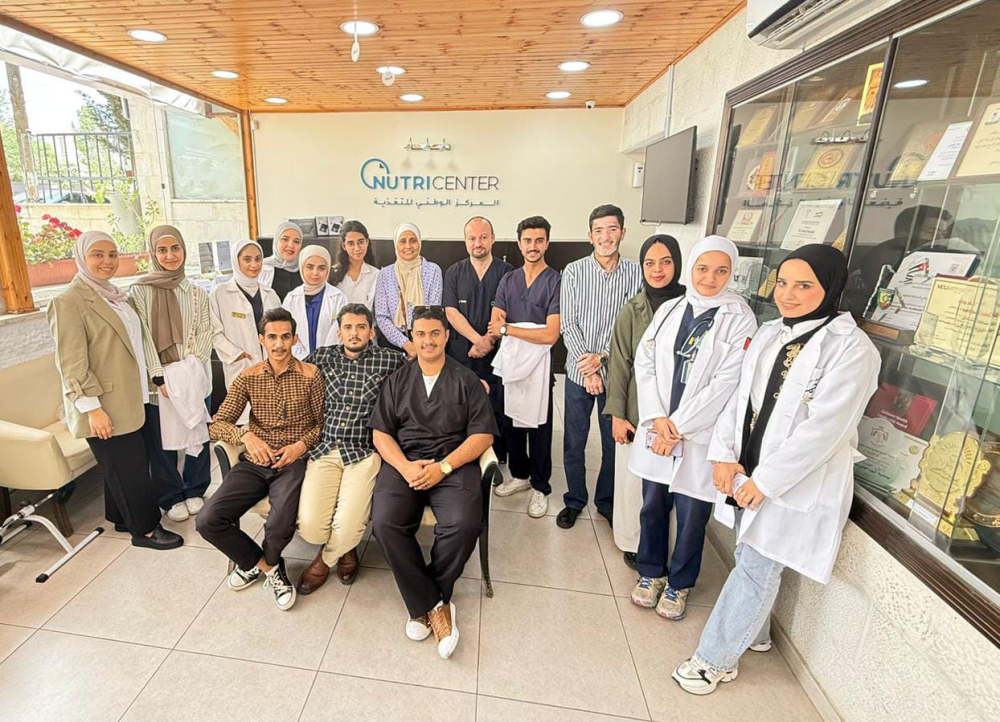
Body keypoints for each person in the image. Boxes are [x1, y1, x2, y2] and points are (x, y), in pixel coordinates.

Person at [672, 244, 879, 695]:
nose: (788, 294)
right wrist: (723, 455)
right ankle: (757, 634)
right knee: (752, 558)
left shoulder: (851, 349)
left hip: (790, 481)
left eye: (804, 285)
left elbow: (824, 430)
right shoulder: (770, 332)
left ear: (831, 289)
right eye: (783, 283)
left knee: (756, 566)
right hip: (747, 468)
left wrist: (766, 481)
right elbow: (739, 401)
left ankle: (713, 660)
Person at [630, 236, 757, 621]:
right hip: (659, 426)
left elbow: (727, 382)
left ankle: (680, 582)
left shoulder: (741, 317)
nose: (709, 278)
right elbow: (645, 361)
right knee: (652, 505)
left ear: (731, 273)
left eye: (721, 271)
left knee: (691, 513)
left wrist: (678, 427)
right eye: (702, 268)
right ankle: (651, 571)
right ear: (691, 268)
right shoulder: (671, 308)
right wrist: (657, 418)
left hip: (700, 435)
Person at [370, 306, 497, 659]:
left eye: (435, 333)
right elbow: (381, 433)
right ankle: (435, 604)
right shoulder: (397, 380)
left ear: (446, 336)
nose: (428, 340)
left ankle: (428, 599)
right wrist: (404, 467)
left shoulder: (466, 380)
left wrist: (443, 467)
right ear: (412, 337)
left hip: (452, 463)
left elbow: (483, 436)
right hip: (406, 462)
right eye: (421, 334)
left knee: (464, 523)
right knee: (385, 522)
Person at [47, 230, 183, 550]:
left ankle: (121, 517)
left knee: (123, 465)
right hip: (103, 404)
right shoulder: (68, 302)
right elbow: (71, 364)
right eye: (97, 254)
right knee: (131, 469)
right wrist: (92, 409)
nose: (107, 261)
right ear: (81, 258)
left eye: (112, 254)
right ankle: (145, 530)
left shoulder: (114, 295)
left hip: (130, 397)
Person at [198, 308, 324, 611]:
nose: (279, 344)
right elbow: (217, 424)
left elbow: (323, 424)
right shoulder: (248, 376)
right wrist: (246, 436)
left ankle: (260, 564)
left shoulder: (311, 375)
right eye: (272, 337)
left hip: (293, 461)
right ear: (261, 339)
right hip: (254, 461)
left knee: (279, 526)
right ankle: (267, 567)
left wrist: (300, 446)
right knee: (207, 520)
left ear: (295, 339)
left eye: (285, 337)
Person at [296, 304, 406, 594]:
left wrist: (472, 381)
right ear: (339, 332)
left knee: (348, 526)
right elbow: (290, 376)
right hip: (325, 449)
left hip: (364, 452)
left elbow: (428, 368)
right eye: (348, 327)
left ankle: (324, 560)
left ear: (371, 332)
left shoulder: (390, 359)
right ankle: (345, 548)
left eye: (361, 327)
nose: (354, 333)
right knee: (310, 528)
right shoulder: (322, 357)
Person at [557, 204, 642, 529]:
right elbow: (568, 324)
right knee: (574, 441)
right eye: (599, 231)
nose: (606, 237)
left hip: (617, 374)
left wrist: (603, 357)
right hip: (579, 373)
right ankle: (575, 500)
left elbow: (632, 327)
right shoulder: (574, 271)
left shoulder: (636, 274)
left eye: (612, 229)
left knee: (613, 443)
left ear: (623, 232)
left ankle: (606, 502)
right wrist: (589, 369)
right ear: (590, 236)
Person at [604, 235, 686, 569]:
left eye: (666, 262)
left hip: (681, 416)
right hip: (637, 414)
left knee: (673, 488)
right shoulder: (633, 310)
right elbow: (620, 364)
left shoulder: (692, 306)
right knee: (634, 485)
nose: (657, 270)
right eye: (649, 263)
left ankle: (669, 550)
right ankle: (633, 543)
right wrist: (617, 414)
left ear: (678, 264)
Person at [130, 225, 214, 523]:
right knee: (161, 440)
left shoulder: (196, 292)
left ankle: (195, 488)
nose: (170, 256)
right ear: (153, 253)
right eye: (162, 250)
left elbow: (205, 331)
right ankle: (170, 495)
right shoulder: (139, 291)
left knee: (198, 433)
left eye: (175, 248)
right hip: (159, 382)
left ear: (183, 250)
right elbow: (142, 336)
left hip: (193, 375)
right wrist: (159, 376)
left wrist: (190, 369)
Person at [487, 216, 561, 517]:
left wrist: (510, 329)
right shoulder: (509, 279)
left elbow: (551, 334)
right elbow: (495, 322)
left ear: (547, 243)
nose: (533, 246)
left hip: (539, 369)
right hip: (512, 365)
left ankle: (541, 486)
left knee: (539, 429)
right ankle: (520, 476)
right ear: (519, 244)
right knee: (511, 423)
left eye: (539, 240)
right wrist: (515, 329)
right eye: (528, 241)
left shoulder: (555, 282)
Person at [443, 216, 513, 462]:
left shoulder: (506, 272)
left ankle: (496, 455)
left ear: (493, 238)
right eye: (472, 238)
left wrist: (489, 341)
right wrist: (478, 340)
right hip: (462, 352)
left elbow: (507, 312)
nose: (478, 243)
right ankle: (462, 454)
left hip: (497, 352)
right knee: (461, 402)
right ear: (465, 241)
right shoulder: (454, 272)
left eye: (483, 237)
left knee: (496, 403)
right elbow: (451, 311)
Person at [209, 239, 282, 423]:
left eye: (258, 259)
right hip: (241, 365)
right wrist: (236, 354)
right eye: (247, 259)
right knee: (244, 421)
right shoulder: (221, 293)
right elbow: (214, 331)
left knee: (271, 419)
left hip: (271, 365)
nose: (254, 264)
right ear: (236, 260)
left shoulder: (270, 294)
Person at [374, 223, 443, 356]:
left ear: (419, 243)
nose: (408, 246)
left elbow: (433, 311)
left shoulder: (433, 270)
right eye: (402, 241)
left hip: (426, 341)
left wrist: (420, 342)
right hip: (393, 344)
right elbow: (381, 316)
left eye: (413, 240)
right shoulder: (385, 274)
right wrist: (405, 343)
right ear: (396, 244)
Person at [282, 245, 348, 360]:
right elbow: (285, 331)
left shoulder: (339, 298)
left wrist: (322, 358)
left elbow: (338, 332)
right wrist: (304, 359)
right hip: (297, 360)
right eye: (309, 267)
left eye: (321, 268)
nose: (315, 272)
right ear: (301, 267)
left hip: (330, 360)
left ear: (328, 269)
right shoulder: (291, 298)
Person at [331, 220, 380, 310]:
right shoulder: (332, 274)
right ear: (344, 246)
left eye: (361, 242)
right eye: (351, 243)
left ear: (367, 242)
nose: (357, 248)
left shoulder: (377, 275)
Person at [260, 221, 304, 300]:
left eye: (296, 241)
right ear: (276, 241)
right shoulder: (262, 269)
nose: (291, 245)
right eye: (285, 239)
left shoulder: (304, 270)